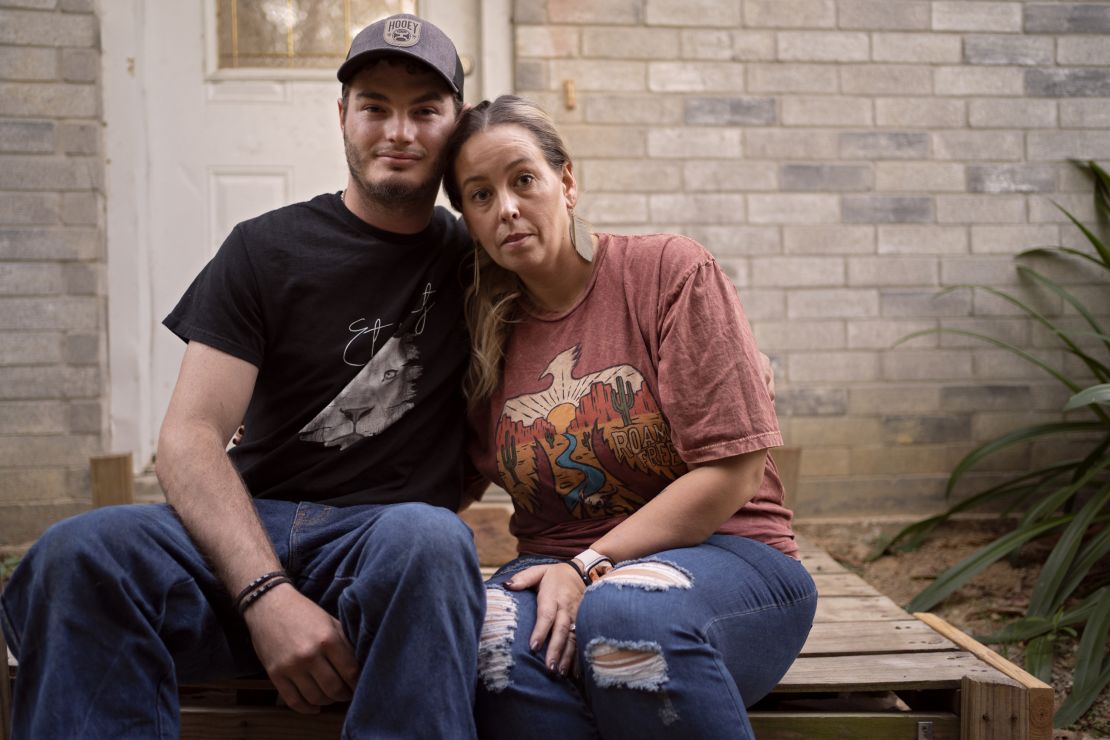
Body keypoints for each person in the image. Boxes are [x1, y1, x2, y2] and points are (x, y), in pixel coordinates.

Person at [1, 15, 485, 739]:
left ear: (457, 124)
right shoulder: (267, 248)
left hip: (382, 547)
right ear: (343, 117)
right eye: (375, 107)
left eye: (425, 111)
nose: (399, 132)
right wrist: (266, 596)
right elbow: (190, 438)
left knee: (432, 538)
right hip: (246, 527)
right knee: (76, 553)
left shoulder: (483, 263)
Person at [442, 96, 818, 739]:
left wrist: (588, 564)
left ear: (566, 181)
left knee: (624, 613)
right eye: (480, 195)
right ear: (469, 220)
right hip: (553, 572)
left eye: (523, 180)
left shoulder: (666, 272)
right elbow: (434, 482)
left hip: (727, 559)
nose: (505, 207)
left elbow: (733, 470)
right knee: (486, 637)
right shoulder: (479, 335)